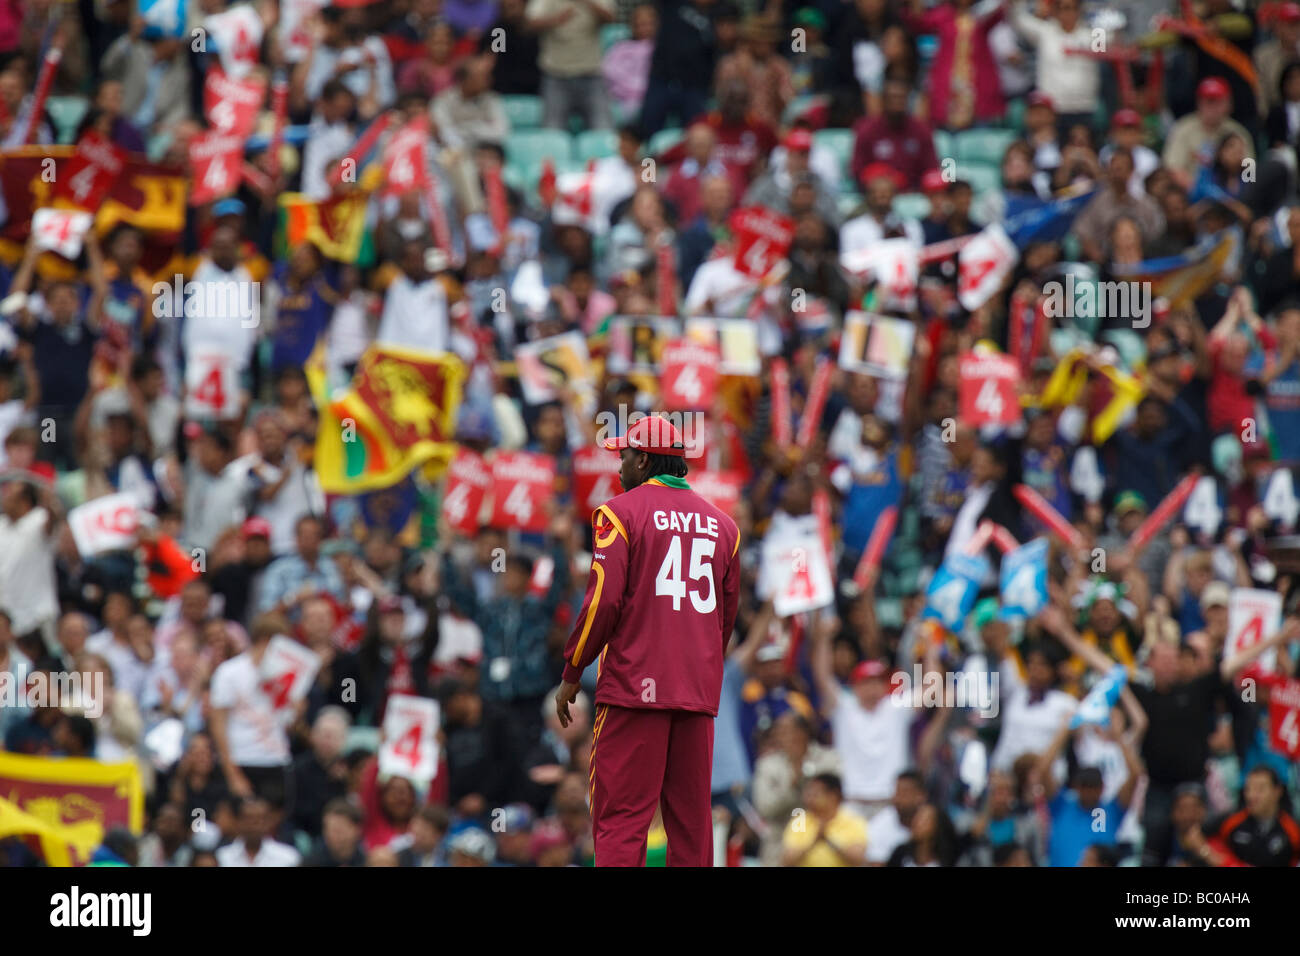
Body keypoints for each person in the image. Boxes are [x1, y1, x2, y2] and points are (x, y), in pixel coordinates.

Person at [554, 415, 741, 866]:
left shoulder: (619, 514)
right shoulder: (726, 528)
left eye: (624, 457)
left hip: (635, 691)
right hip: (695, 696)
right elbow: (725, 621)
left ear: (643, 460)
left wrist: (573, 670)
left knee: (622, 820)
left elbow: (602, 603)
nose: (618, 469)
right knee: (693, 826)